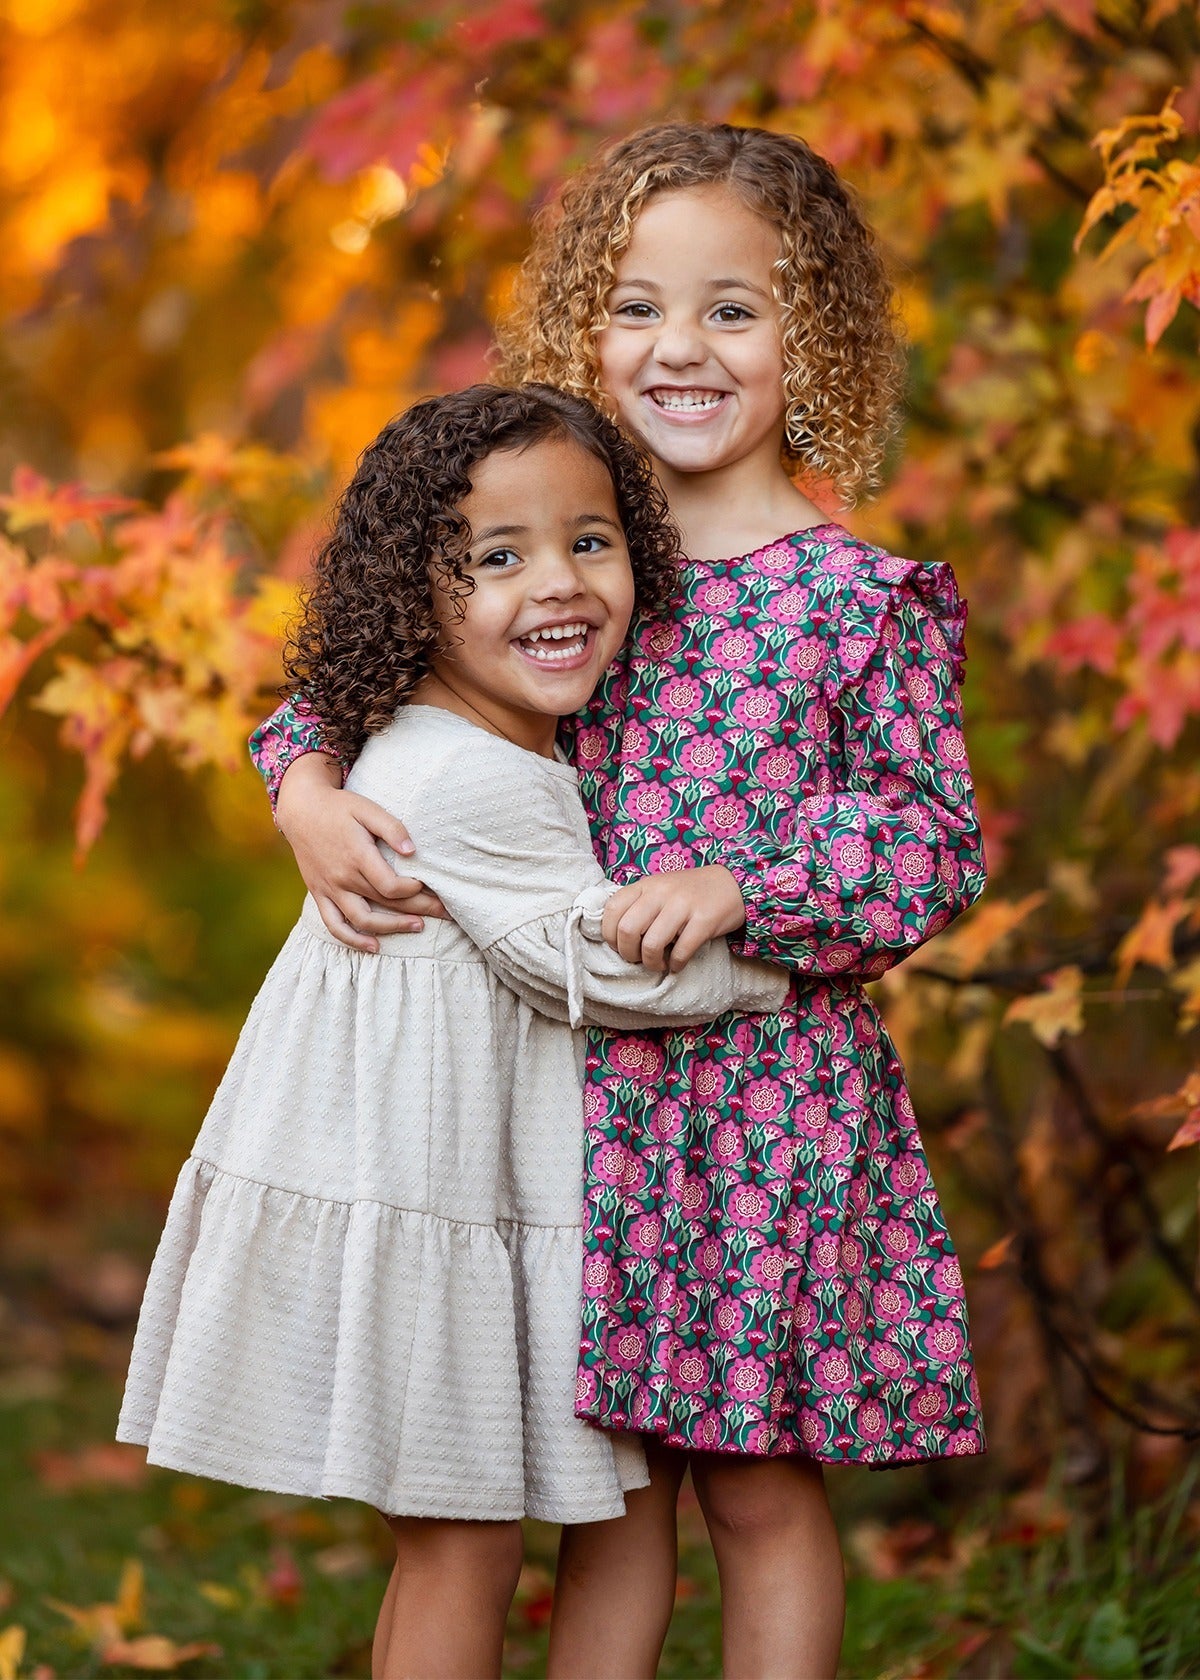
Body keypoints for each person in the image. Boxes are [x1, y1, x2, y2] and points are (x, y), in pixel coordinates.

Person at [250, 123, 989, 1680]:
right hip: (551, 1096)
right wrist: (305, 788)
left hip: (762, 1110)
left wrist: (745, 884)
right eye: (641, 303)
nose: (682, 346)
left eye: (737, 307)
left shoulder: (859, 601)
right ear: (588, 319)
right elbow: (366, 667)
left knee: (758, 1488)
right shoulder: (567, 551)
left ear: (818, 336)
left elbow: (930, 841)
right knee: (605, 1503)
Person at [117, 382, 790, 1680]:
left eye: (591, 543)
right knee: (464, 1548)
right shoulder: (470, 777)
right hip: (425, 1212)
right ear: (409, 599)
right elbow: (604, 970)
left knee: (453, 1545)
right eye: (498, 558)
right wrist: (773, 964)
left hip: (418, 1188)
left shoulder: (441, 740)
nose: (560, 583)